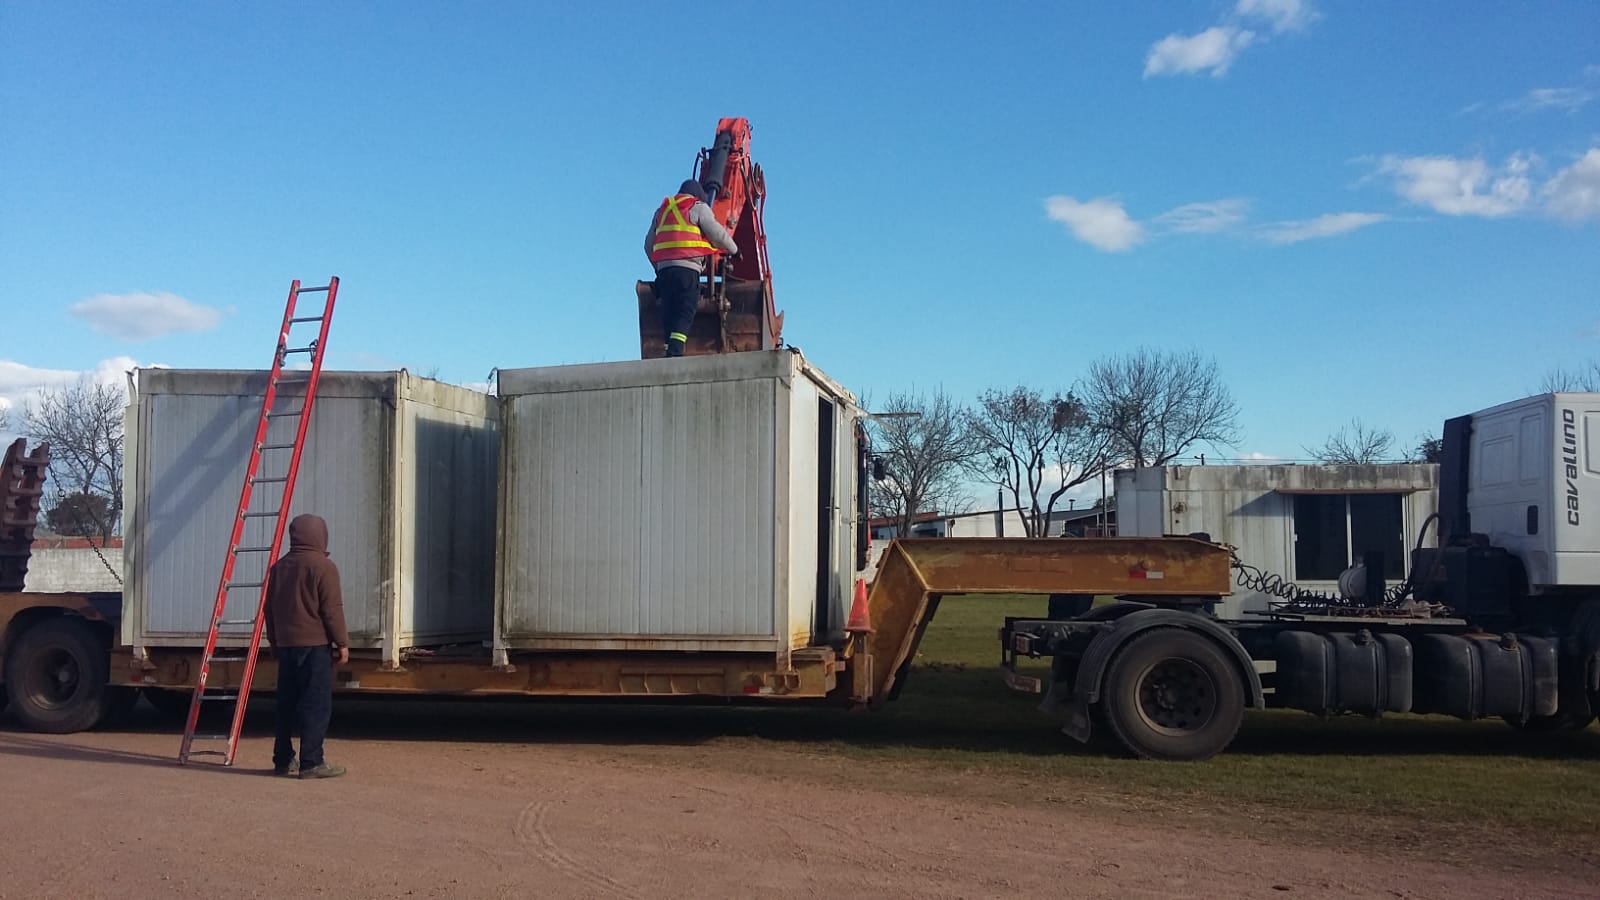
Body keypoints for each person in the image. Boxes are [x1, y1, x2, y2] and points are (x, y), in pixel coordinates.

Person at [263, 513, 349, 779]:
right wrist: (342, 642)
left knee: (286, 705)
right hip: (314, 647)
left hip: (287, 646)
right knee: (315, 705)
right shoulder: (324, 567)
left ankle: (282, 760)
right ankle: (312, 762)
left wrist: (275, 642)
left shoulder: (279, 568)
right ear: (320, 535)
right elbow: (331, 611)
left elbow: (269, 609)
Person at [644, 178, 738, 357]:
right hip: (687, 270)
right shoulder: (698, 207)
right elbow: (717, 234)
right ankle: (676, 352)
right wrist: (735, 249)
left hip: (664, 272)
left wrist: (658, 267)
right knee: (685, 309)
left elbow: (648, 245)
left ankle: (668, 350)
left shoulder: (662, 211)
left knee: (669, 311)